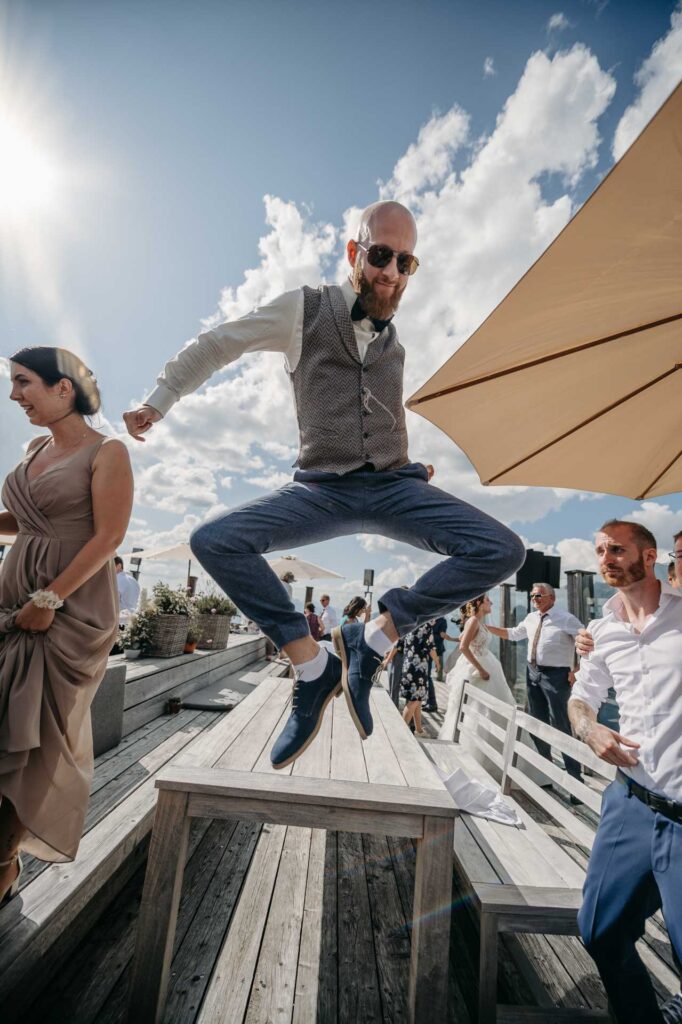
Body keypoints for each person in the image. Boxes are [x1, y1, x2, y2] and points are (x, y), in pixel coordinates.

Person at [123, 199, 525, 770]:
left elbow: (382, 416)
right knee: (214, 540)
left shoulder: (396, 346)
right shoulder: (303, 310)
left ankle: (375, 639)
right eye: (380, 254)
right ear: (354, 252)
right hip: (321, 490)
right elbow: (219, 344)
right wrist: (159, 401)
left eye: (404, 262)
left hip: (393, 486)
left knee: (502, 549)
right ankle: (312, 668)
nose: (390, 271)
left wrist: (410, 465)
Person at [0, 347, 133, 902]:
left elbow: (108, 538)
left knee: (33, 743)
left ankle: (3, 864)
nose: (14, 396)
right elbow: (24, 522)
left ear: (65, 388)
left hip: (66, 614)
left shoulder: (109, 452)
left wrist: (49, 599)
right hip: (11, 603)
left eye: (23, 382)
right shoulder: (34, 448)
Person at [567, 520, 682, 1024]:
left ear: (650, 555)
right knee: (600, 932)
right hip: (630, 804)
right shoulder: (600, 630)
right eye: (599, 551)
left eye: (617, 549)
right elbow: (581, 700)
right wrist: (590, 730)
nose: (606, 558)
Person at [487, 583, 584, 783]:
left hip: (557, 676)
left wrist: (578, 670)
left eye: (539, 596)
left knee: (561, 724)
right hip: (532, 672)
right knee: (537, 721)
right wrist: (485, 627)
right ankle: (544, 773)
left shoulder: (566, 619)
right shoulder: (531, 618)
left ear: (552, 597)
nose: (534, 599)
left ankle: (575, 778)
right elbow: (513, 634)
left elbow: (586, 642)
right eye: (532, 596)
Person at [400, 621, 436, 738]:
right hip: (418, 668)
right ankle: (401, 733)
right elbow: (430, 647)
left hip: (407, 665)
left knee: (418, 700)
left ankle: (419, 730)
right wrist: (438, 662)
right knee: (414, 701)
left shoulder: (409, 624)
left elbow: (399, 644)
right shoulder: (426, 626)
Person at [114, 555, 140, 625]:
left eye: (111, 567)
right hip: (132, 621)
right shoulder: (134, 580)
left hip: (118, 621)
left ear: (119, 566)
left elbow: (112, 602)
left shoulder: (116, 580)